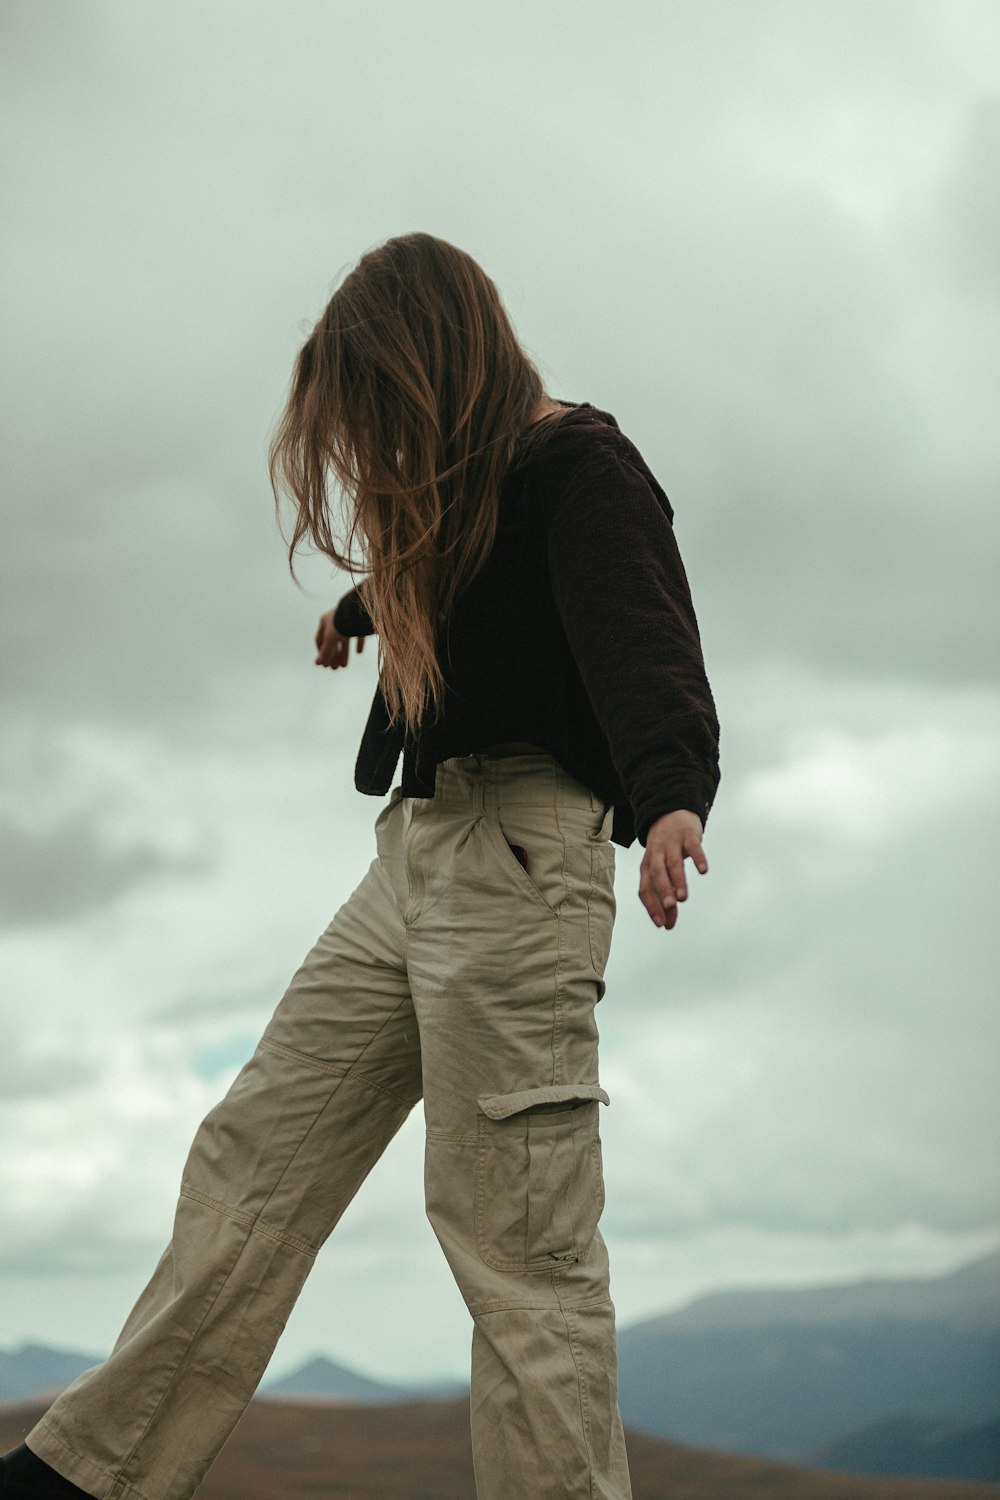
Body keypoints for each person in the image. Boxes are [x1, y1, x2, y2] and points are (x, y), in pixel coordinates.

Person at [1, 232, 720, 1500]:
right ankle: (87, 1478)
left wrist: (670, 798)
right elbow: (475, 576)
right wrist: (359, 608)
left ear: (434, 371)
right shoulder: (481, 485)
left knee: (519, 1250)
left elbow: (639, 635)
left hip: (521, 857)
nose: (375, 451)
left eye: (385, 412)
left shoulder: (584, 470)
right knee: (255, 1153)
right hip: (415, 856)